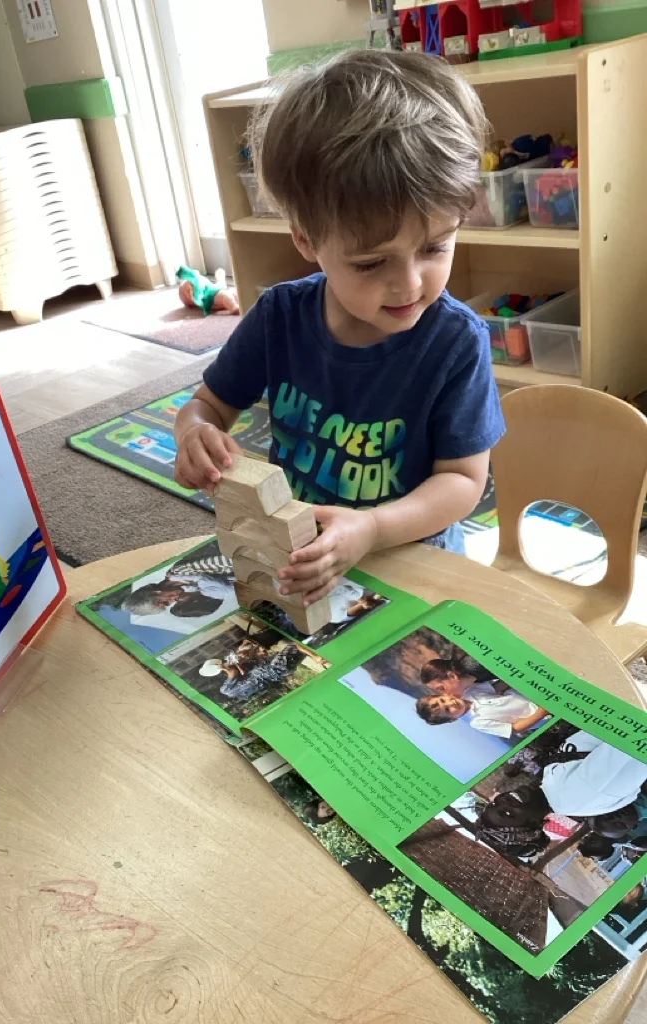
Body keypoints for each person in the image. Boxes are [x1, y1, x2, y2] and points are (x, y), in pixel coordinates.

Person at [173, 50, 505, 606]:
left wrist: (371, 527)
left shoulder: (455, 341)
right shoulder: (279, 317)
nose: (409, 285)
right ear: (306, 239)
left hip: (415, 564)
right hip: (304, 559)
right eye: (371, 263)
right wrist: (194, 433)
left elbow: (463, 484)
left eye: (434, 247)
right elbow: (207, 405)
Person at [415, 688, 549, 738]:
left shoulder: (470, 692)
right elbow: (514, 728)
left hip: (533, 691)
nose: (450, 703)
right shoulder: (477, 722)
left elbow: (499, 686)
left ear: (444, 694)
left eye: (443, 700)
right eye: (447, 710)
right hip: (541, 712)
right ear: (453, 720)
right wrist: (541, 712)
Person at [420, 657, 508, 699]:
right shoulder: (475, 678)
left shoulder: (474, 664)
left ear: (452, 676)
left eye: (441, 688)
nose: (445, 694)